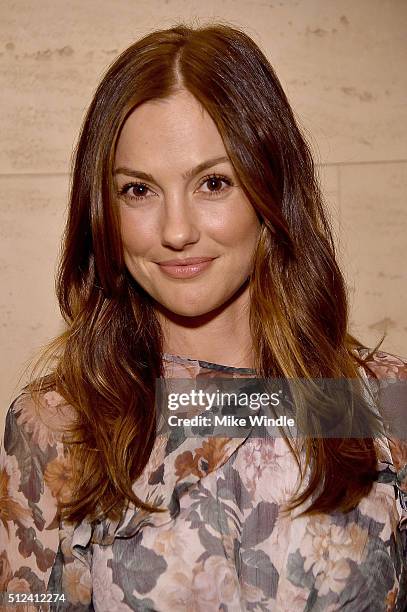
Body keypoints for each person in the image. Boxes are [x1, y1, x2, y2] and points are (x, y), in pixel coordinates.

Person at [1, 23, 406, 612]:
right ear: (102, 212)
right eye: (138, 190)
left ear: (271, 190)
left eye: (213, 183)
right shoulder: (58, 429)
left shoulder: (380, 402)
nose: (177, 231)